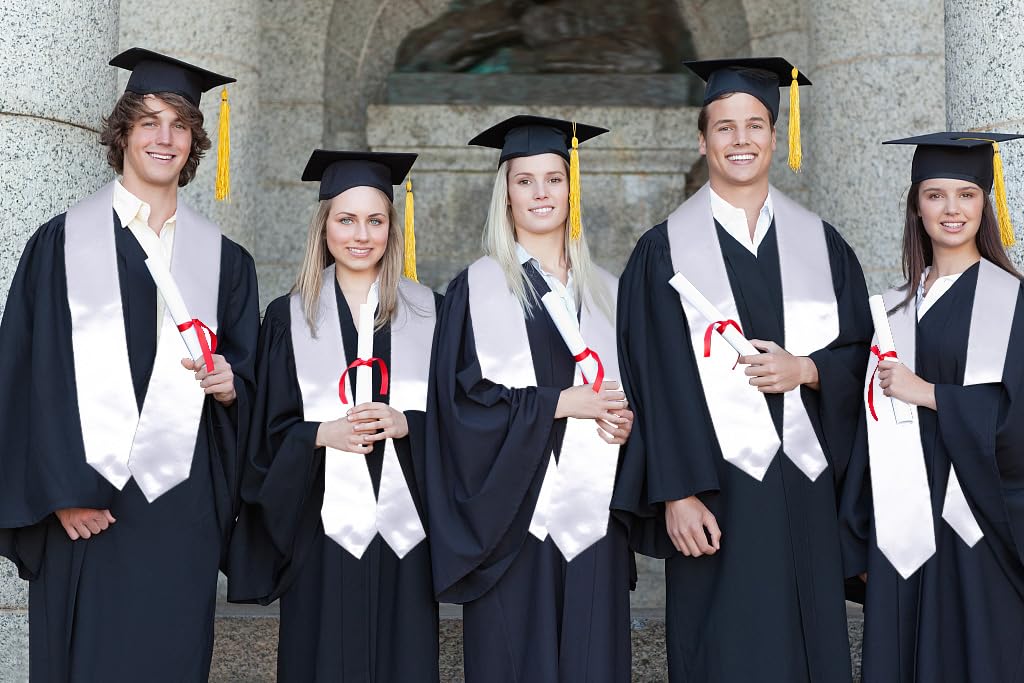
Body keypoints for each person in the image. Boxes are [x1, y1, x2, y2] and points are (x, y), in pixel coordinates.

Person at [0, 48, 259, 681]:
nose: (164, 138)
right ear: (123, 135)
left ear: (196, 141)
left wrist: (231, 388)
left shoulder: (227, 262)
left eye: (179, 124)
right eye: (148, 121)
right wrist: (63, 495)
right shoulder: (61, 242)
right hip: (87, 511)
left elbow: (253, 383)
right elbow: (27, 377)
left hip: (182, 510)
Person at [611, 57, 872, 682]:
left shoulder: (823, 243)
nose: (740, 140)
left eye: (754, 125)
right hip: (714, 494)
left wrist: (808, 369)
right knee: (724, 649)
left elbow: (865, 354)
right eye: (724, 127)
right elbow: (652, 381)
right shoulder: (662, 252)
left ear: (775, 137)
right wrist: (675, 491)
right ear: (702, 140)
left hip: (807, 489)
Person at [425, 115, 635, 682]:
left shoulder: (612, 294)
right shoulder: (474, 290)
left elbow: (637, 399)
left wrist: (625, 425)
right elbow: (459, 410)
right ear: (506, 196)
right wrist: (561, 404)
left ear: (573, 190)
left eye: (554, 179)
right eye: (524, 181)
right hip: (512, 525)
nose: (541, 193)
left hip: (596, 523)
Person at [227, 150, 440, 682]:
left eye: (375, 220)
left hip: (406, 533)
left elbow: (466, 425)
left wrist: (410, 423)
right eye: (346, 220)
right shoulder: (286, 317)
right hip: (319, 532)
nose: (361, 235)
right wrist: (320, 434)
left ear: (393, 228)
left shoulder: (432, 313)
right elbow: (262, 437)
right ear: (324, 228)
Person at [844, 132, 1024, 683]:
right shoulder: (895, 307)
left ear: (985, 206)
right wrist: (862, 526)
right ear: (915, 205)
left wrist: (931, 394)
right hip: (903, 521)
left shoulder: (1013, 301)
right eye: (935, 194)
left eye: (967, 195)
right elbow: (864, 426)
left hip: (979, 524)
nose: (952, 210)